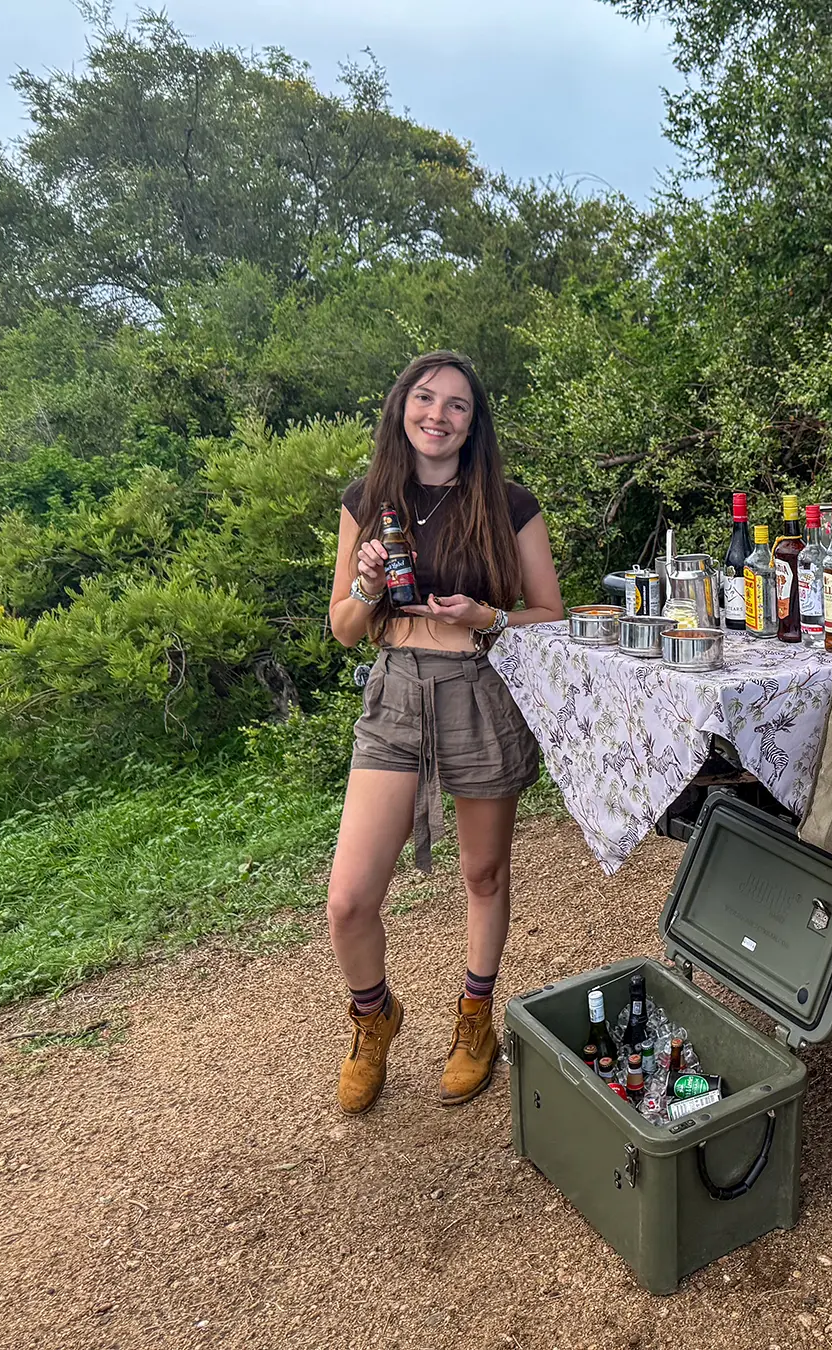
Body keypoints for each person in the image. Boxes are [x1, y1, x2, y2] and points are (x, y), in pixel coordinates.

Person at [325, 351, 563, 1115]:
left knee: (484, 876)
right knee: (350, 899)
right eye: (425, 398)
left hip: (479, 693)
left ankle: (475, 1021)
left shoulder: (510, 503)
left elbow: (550, 616)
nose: (438, 414)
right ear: (402, 407)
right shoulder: (369, 499)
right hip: (395, 695)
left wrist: (487, 616)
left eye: (457, 405)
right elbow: (343, 630)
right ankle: (373, 1017)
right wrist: (365, 586)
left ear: (474, 423)